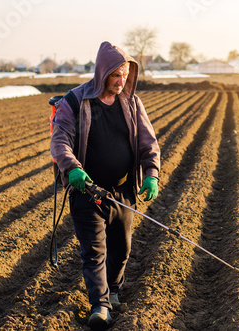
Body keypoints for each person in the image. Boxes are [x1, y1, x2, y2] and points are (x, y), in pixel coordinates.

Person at [50, 41, 160, 330]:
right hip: (88, 190)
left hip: (123, 191)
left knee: (121, 249)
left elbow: (148, 142)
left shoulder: (132, 103)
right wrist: (72, 168)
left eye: (124, 74)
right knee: (94, 252)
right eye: (115, 75)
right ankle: (99, 305)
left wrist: (151, 173)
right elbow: (60, 139)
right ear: (102, 73)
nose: (121, 81)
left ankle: (113, 289)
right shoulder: (75, 101)